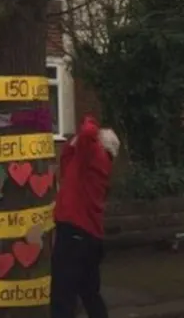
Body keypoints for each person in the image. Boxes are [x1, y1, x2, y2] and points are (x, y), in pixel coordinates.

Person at [50, 115, 120, 318]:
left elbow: (88, 133)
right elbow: (67, 160)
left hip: (74, 232)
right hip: (89, 236)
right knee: (89, 292)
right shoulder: (90, 165)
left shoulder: (93, 157)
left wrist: (90, 121)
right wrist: (73, 144)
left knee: (63, 292)